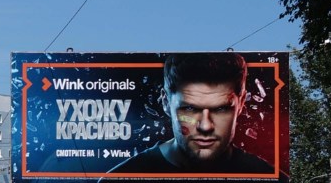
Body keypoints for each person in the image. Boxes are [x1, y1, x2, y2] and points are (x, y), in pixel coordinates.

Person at [106, 52, 276, 176]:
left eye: (221, 109)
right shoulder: (120, 180)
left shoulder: (269, 178)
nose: (205, 126)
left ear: (241, 104)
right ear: (165, 102)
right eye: (189, 109)